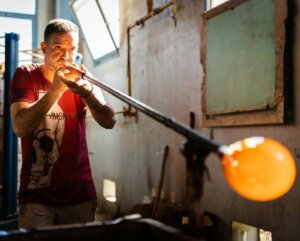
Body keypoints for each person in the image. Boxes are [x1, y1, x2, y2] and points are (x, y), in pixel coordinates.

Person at [9, 18, 116, 228]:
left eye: (72, 49)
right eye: (58, 47)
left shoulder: (81, 77)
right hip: (36, 194)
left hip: (79, 192)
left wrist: (88, 94)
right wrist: (57, 89)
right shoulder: (26, 75)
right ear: (44, 48)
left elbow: (109, 121)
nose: (66, 56)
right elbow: (20, 127)